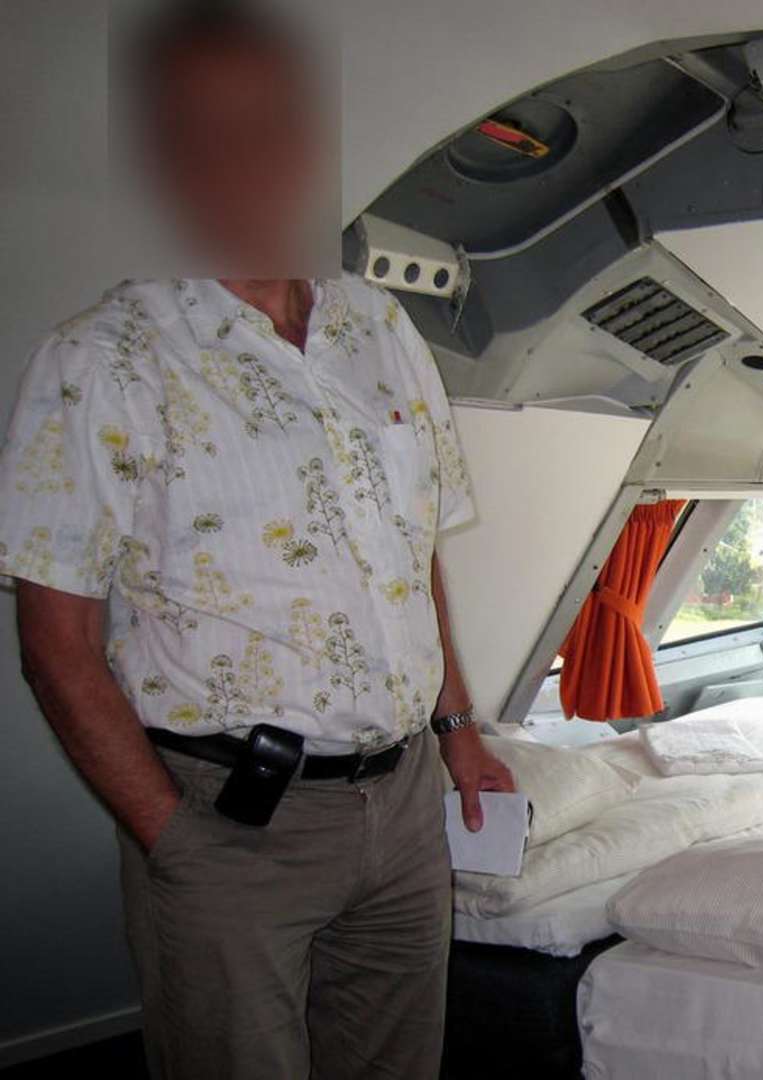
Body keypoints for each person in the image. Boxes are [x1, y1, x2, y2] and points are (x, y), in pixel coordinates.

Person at [0, 3, 511, 1077]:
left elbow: (409, 555)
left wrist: (459, 729)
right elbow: (54, 640)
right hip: (229, 815)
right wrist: (170, 838)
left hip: (403, 803)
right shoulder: (102, 359)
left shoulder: (381, 328)